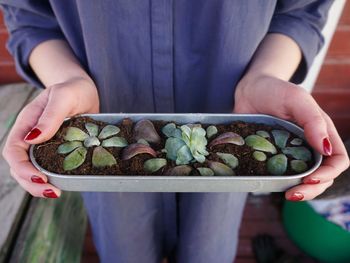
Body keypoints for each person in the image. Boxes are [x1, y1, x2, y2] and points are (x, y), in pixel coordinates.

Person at [1, 1, 349, 262]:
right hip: (103, 138)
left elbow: (300, 11)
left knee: (208, 250)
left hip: (233, 132)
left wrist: (265, 77)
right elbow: (30, 16)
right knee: (124, 249)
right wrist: (67, 80)